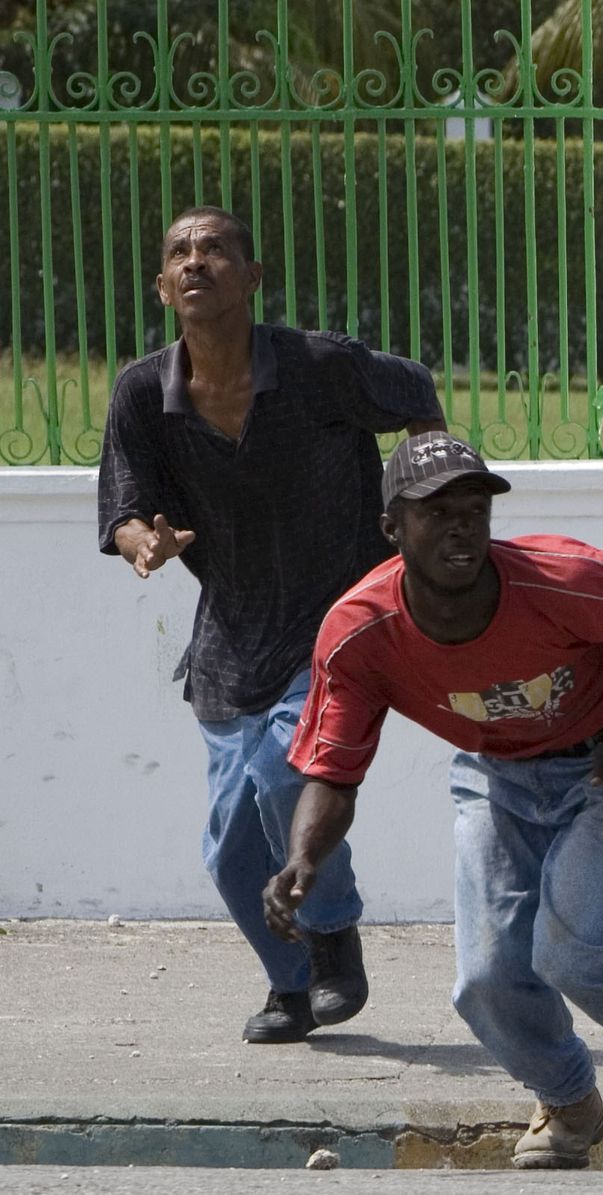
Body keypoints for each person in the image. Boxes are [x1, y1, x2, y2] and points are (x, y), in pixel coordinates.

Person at [263, 433, 603, 1170]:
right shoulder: (360, 634)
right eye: (437, 513)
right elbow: (334, 771)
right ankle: (567, 1099)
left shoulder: (561, 577)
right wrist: (305, 859)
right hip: (497, 773)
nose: (461, 527)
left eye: (474, 509)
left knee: (571, 951)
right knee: (486, 979)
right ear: (392, 527)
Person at [96, 206, 445, 1044]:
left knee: (288, 775)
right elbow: (123, 511)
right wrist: (148, 544)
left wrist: (422, 509)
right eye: (180, 251)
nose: (196, 260)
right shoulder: (143, 392)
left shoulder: (319, 365)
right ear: (162, 287)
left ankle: (332, 941)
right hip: (230, 636)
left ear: (252, 278)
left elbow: (417, 394)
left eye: (215, 248)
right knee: (228, 848)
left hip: (340, 618)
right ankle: (292, 987)